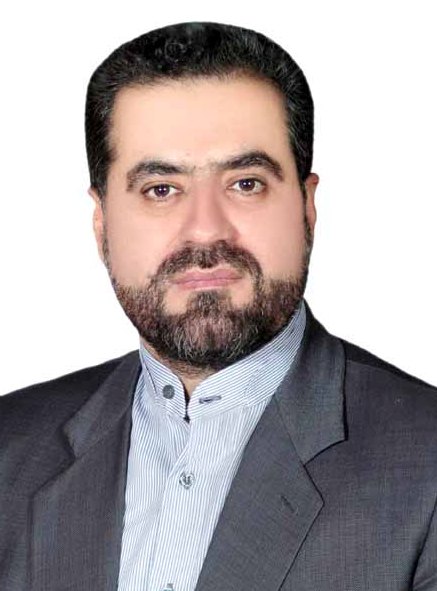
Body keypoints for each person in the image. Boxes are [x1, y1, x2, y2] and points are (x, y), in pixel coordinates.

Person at [1, 21, 436, 591]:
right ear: (102, 222)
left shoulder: (426, 467)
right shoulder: (9, 449)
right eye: (161, 189)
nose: (206, 229)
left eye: (246, 183)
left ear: (306, 208)